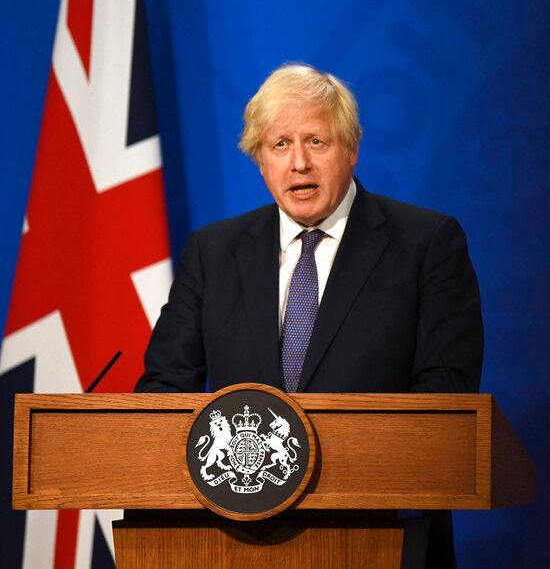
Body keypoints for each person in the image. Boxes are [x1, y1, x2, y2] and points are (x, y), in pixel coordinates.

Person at [136, 62, 483, 566]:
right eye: (280, 145)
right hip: (234, 542)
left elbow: (444, 405)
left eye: (316, 142)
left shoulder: (425, 245)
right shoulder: (214, 252)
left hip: (377, 534)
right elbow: (165, 390)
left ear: (352, 149)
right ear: (260, 161)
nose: (298, 163)